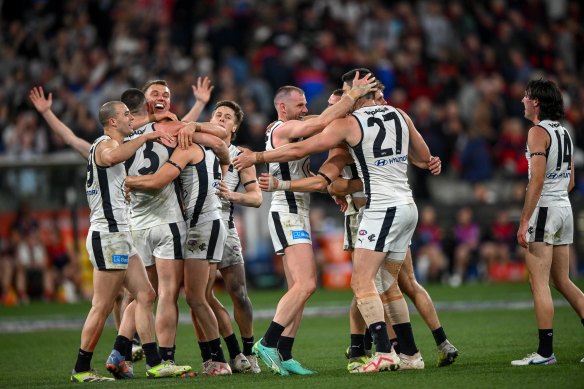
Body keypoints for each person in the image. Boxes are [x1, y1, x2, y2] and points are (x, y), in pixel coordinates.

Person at [234, 68, 438, 373]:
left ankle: (379, 352)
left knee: (354, 283)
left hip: (377, 209)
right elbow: (422, 158)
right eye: (301, 105)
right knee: (324, 285)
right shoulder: (400, 115)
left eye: (344, 95)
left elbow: (315, 149)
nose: (308, 109)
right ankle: (406, 353)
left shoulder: (348, 123)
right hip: (399, 206)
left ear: (358, 93)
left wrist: (260, 159)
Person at [232, 73, 375, 376]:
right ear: (282, 108)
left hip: (296, 211)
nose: (304, 108)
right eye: (299, 104)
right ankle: (268, 343)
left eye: (306, 103)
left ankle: (284, 354)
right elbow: (317, 124)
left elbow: (314, 123)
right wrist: (352, 97)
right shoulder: (285, 128)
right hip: (288, 212)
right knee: (308, 284)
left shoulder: (283, 126)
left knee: (298, 288)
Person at [71, 101, 191, 382]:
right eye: (125, 114)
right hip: (109, 235)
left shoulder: (111, 147)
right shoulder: (103, 144)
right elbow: (113, 158)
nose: (131, 118)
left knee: (146, 294)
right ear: (112, 122)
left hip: (121, 234)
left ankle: (154, 363)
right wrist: (146, 136)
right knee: (101, 305)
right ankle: (81, 369)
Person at [125, 97, 232, 375]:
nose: (165, 136)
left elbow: (159, 180)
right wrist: (223, 168)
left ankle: (217, 360)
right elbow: (221, 143)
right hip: (208, 222)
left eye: (169, 130)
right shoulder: (205, 146)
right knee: (199, 296)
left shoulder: (186, 149)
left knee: (195, 297)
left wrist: (126, 182)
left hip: (201, 224)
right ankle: (225, 356)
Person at [512, 79, 584, 366]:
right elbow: (572, 181)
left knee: (539, 283)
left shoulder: (537, 132)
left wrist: (524, 220)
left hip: (544, 210)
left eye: (526, 96)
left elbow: (537, 180)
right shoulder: (565, 133)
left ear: (536, 102)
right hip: (563, 208)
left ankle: (545, 352)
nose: (522, 100)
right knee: (562, 281)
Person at [206, 100, 263, 373]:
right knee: (201, 295)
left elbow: (256, 198)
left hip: (226, 228)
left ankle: (249, 352)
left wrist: (232, 195)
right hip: (198, 228)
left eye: (227, 117)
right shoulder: (195, 149)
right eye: (217, 114)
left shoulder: (241, 156)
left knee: (239, 293)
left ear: (235, 126)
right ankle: (231, 352)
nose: (221, 119)